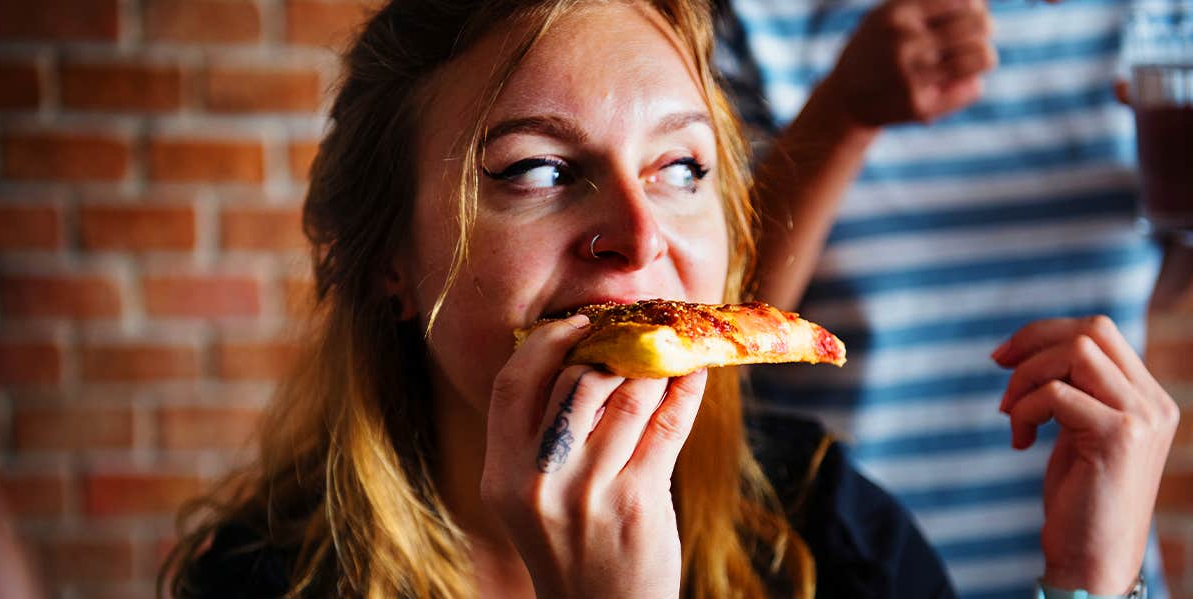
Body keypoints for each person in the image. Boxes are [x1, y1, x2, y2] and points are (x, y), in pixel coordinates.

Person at [159, 1, 1177, 597]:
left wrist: (1089, 580)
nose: (644, 237)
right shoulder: (253, 580)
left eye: (683, 168)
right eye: (538, 170)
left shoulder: (826, 530)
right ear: (389, 252)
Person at [713, 0, 1172, 596]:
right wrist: (841, 114)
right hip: (849, 564)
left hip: (1104, 565)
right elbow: (723, 331)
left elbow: (1163, 279)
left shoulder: (1158, 17)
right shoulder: (751, 21)